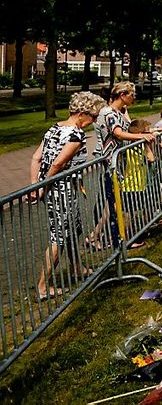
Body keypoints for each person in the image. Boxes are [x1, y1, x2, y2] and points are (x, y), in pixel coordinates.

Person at [29, 91, 106, 300]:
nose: (94, 121)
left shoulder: (54, 129)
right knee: (59, 238)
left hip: (59, 189)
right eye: (93, 116)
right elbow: (57, 164)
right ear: (82, 113)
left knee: (72, 230)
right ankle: (43, 286)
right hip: (60, 191)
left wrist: (35, 184)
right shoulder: (75, 135)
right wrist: (42, 186)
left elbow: (36, 158)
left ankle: (76, 267)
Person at [89, 82, 155, 248]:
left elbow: (129, 126)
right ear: (123, 95)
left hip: (118, 162)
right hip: (111, 161)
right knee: (114, 201)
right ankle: (115, 239)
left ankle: (107, 237)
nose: (134, 98)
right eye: (132, 95)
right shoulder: (108, 113)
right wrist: (141, 137)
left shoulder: (119, 112)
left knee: (113, 201)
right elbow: (117, 133)